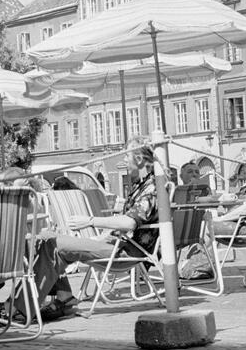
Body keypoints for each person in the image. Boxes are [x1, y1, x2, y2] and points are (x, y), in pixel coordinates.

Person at [29, 136, 161, 321]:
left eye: (126, 156)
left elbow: (130, 223)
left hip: (125, 253)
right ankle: (62, 298)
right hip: (118, 246)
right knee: (48, 237)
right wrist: (99, 238)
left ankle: (24, 307)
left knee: (51, 241)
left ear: (139, 160)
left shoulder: (152, 187)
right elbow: (125, 224)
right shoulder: (143, 186)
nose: (124, 161)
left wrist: (90, 221)